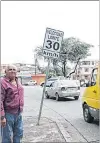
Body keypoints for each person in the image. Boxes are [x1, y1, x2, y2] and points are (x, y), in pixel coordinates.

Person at [1, 65, 24, 143]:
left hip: (18, 113)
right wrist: (2, 117)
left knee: (19, 134)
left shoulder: (17, 80)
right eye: (10, 69)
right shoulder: (2, 82)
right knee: (7, 136)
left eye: (14, 69)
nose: (12, 71)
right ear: (5, 72)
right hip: (8, 114)